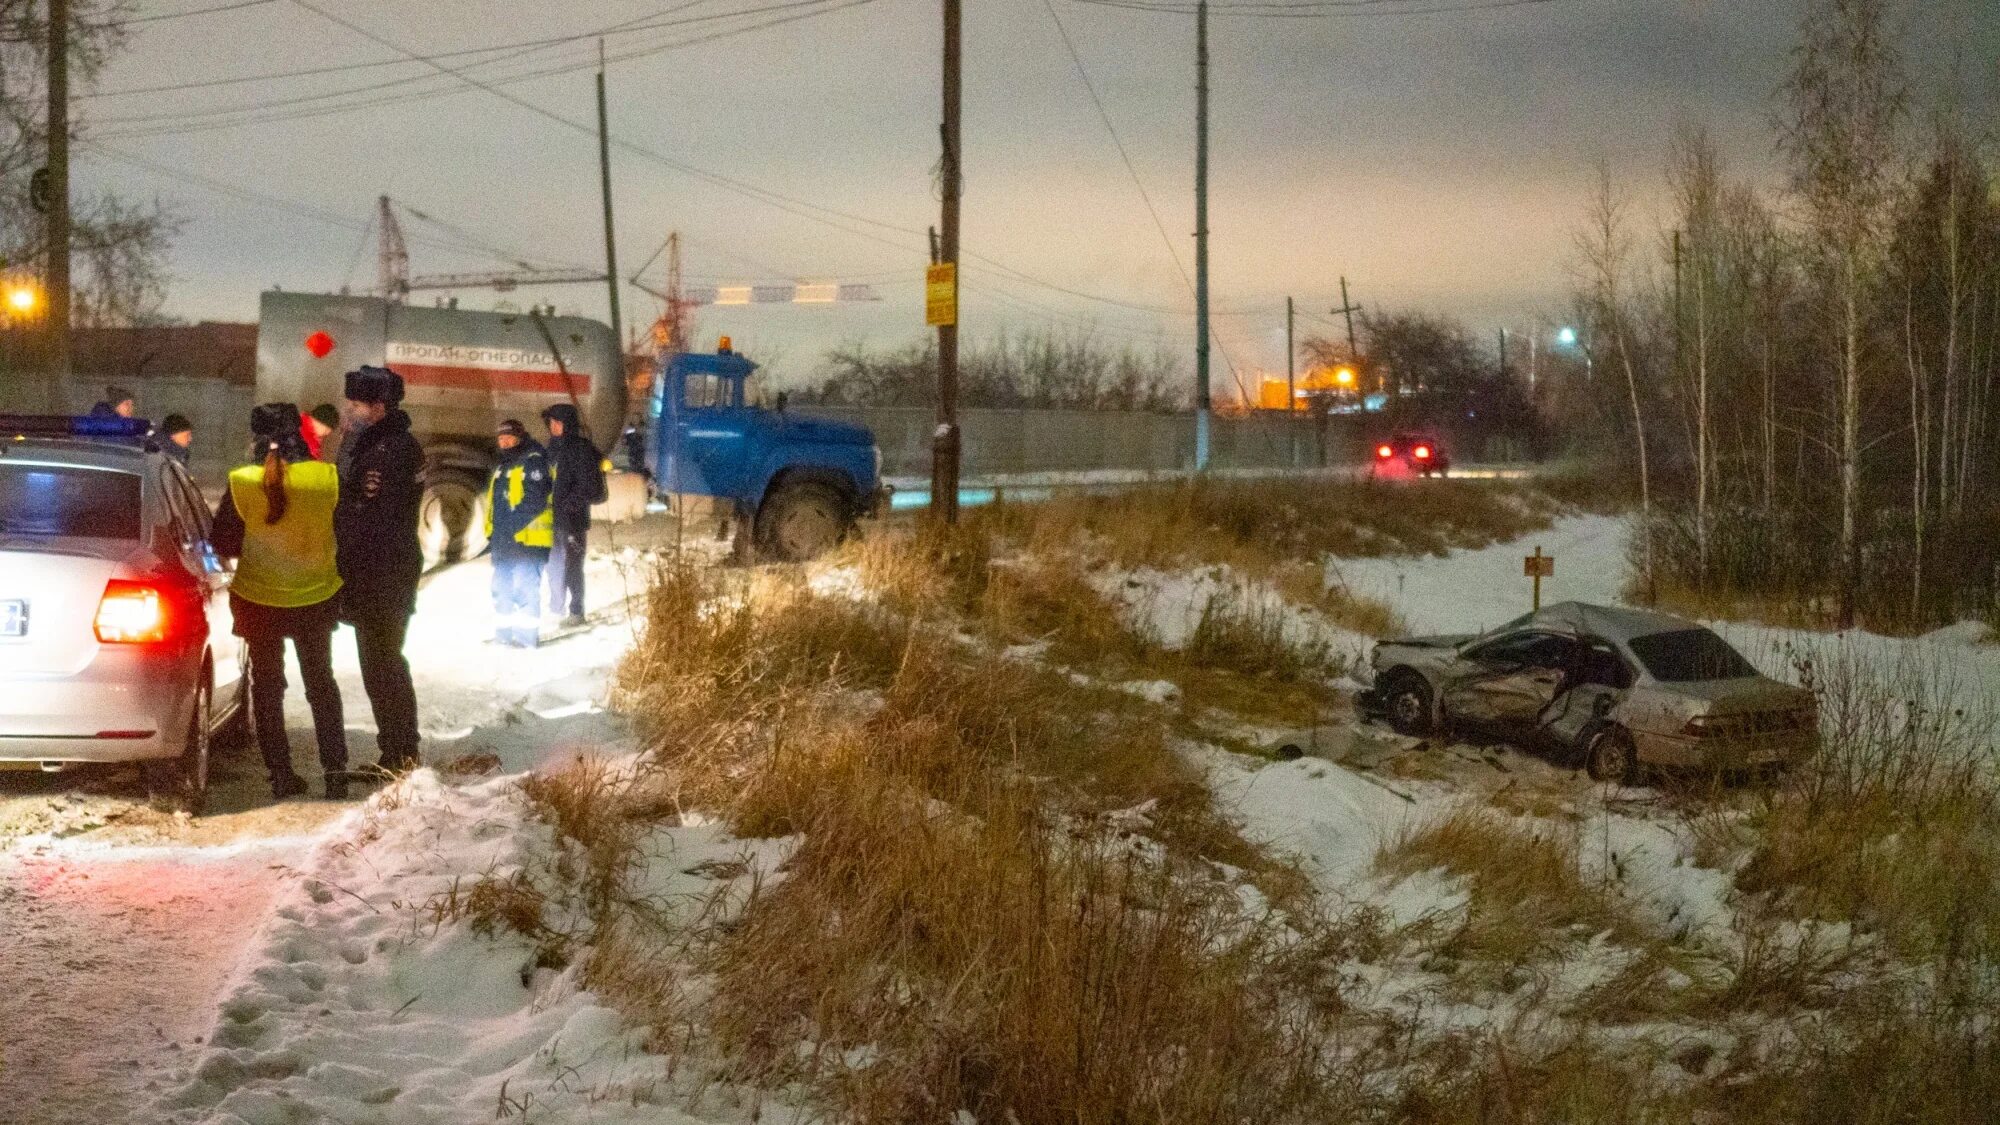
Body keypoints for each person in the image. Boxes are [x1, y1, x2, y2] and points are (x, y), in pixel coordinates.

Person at [210, 404, 348, 800]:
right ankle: (335, 771)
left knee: (268, 689)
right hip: (315, 596)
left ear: (255, 437)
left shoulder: (242, 481)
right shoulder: (326, 478)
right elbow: (345, 531)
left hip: (259, 599)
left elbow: (224, 543)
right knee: (322, 684)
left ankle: (281, 774)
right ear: (300, 435)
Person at [334, 367, 424, 773]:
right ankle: (395, 751)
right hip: (376, 570)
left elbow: (370, 514)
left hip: (384, 571)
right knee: (378, 665)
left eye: (356, 405)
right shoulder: (375, 443)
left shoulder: (392, 450)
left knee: (384, 662)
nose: (349, 411)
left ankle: (402, 753)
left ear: (379, 408)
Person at [486, 419, 553, 647]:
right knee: (501, 591)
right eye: (501, 439)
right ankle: (503, 637)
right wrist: (493, 534)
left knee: (526, 591)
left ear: (519, 437)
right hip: (504, 541)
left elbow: (535, 501)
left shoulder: (533, 462)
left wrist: (511, 528)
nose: (504, 443)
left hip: (527, 542)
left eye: (509, 438)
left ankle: (526, 641)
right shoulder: (503, 465)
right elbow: (495, 504)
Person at [541, 403, 605, 629]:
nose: (554, 427)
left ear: (568, 424)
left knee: (573, 567)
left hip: (572, 521)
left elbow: (592, 487)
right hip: (552, 519)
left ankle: (577, 611)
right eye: (551, 423)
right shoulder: (551, 449)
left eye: (558, 423)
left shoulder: (581, 449)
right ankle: (557, 607)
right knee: (554, 565)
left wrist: (570, 504)